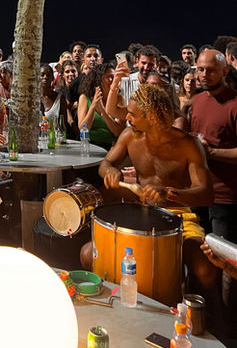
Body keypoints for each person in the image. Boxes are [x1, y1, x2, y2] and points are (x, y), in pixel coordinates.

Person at [97, 83, 216, 293]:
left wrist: (170, 193)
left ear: (151, 117)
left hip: (178, 215)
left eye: (132, 114)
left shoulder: (188, 144)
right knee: (90, 253)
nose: (127, 118)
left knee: (205, 269)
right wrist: (110, 172)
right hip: (141, 212)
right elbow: (105, 164)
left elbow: (206, 194)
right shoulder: (129, 136)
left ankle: (197, 316)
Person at [191, 49, 237, 243]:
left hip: (225, 198)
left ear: (225, 71)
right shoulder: (198, 100)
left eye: (210, 70)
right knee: (200, 257)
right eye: (200, 69)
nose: (204, 75)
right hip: (198, 191)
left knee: (225, 259)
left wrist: (211, 152)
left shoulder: (234, 105)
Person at [105, 45, 159, 119]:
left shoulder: (165, 86)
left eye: (151, 64)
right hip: (131, 128)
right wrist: (115, 82)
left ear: (157, 65)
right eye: (143, 63)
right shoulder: (125, 81)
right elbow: (111, 111)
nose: (146, 67)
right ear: (137, 61)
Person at [77, 63, 124, 148]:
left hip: (111, 147)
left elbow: (118, 132)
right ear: (99, 80)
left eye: (115, 77)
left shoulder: (119, 99)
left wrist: (103, 111)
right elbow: (83, 129)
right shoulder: (84, 98)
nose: (114, 81)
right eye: (110, 77)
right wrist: (93, 106)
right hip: (89, 146)